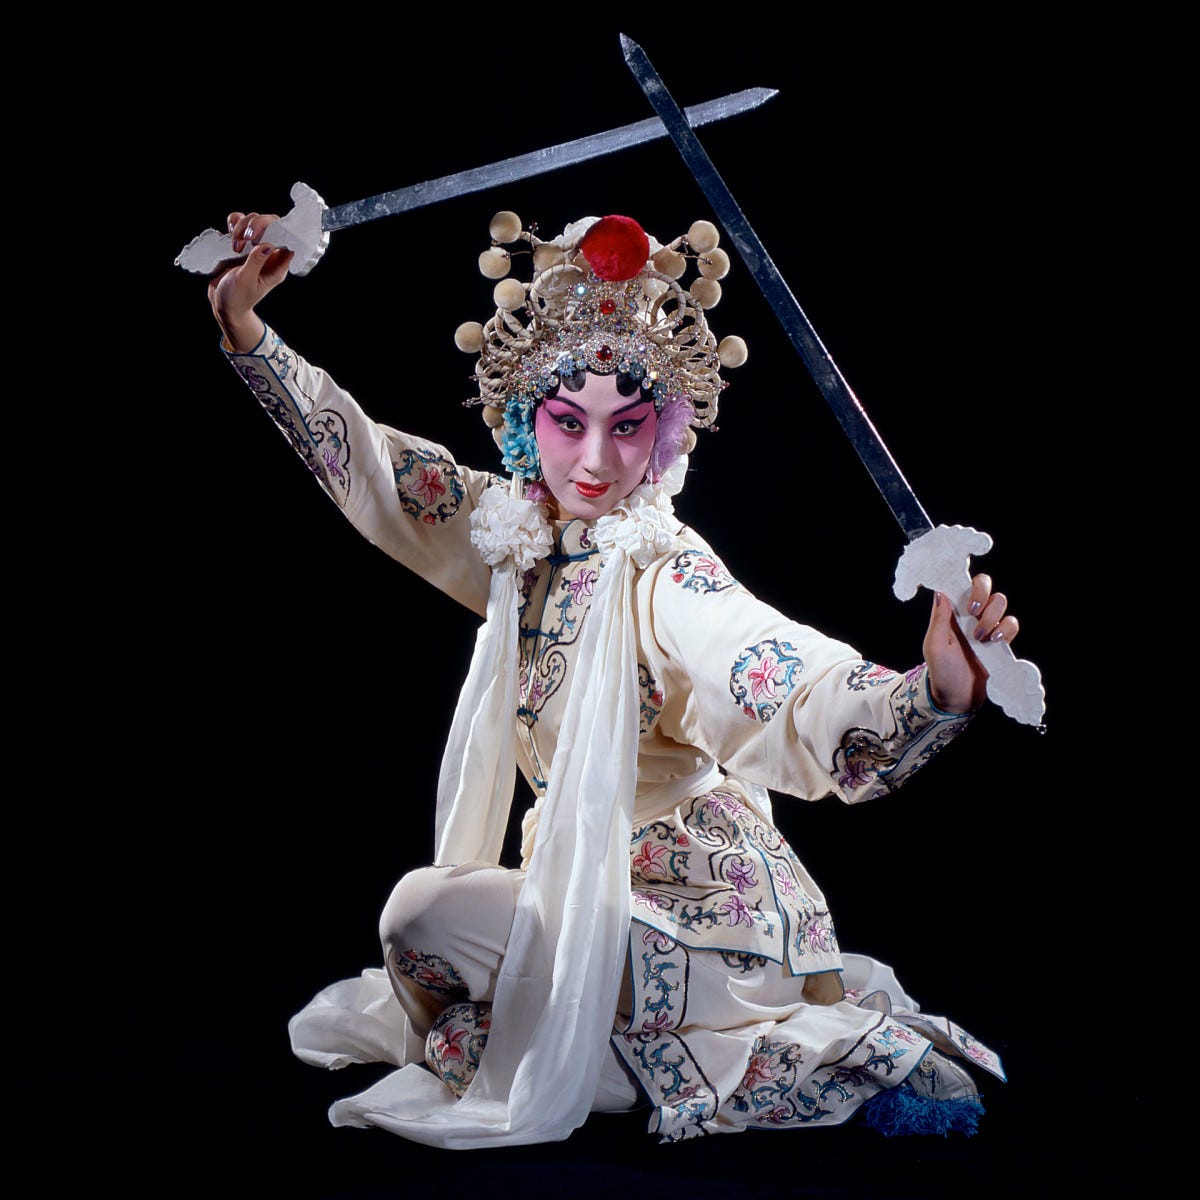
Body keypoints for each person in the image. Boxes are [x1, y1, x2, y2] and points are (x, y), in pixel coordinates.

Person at [209, 207, 1019, 1148]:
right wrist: (244, 330)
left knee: (448, 961)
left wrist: (929, 692)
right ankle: (580, 1047)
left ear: (665, 433)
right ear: (525, 418)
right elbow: (382, 475)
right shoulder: (513, 529)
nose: (594, 463)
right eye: (566, 422)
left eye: (628, 427)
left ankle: (717, 1041)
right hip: (573, 891)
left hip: (705, 918)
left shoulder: (665, 569)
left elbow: (777, 672)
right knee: (423, 929)